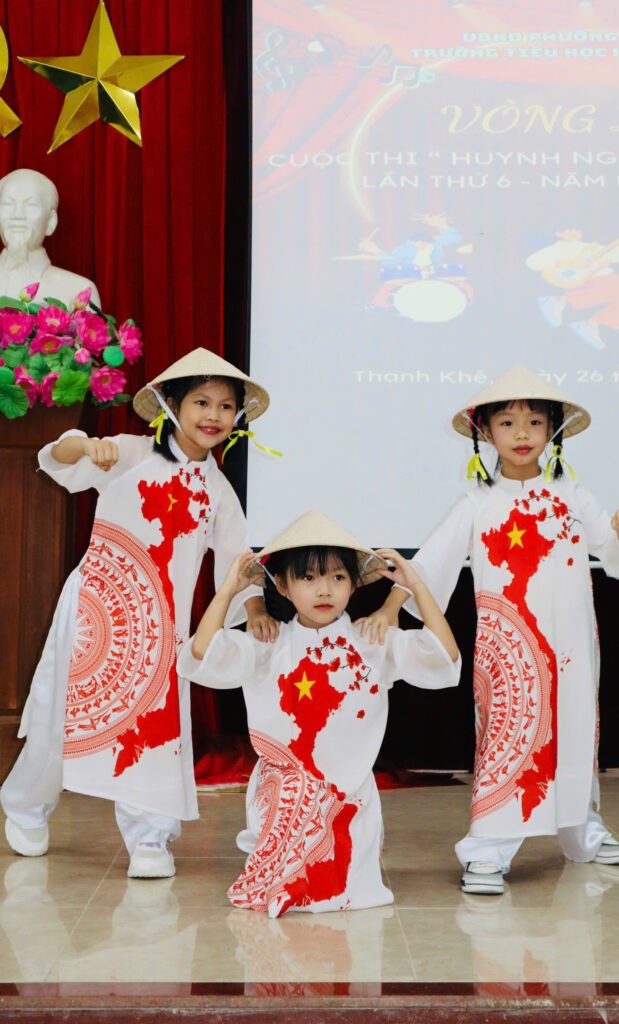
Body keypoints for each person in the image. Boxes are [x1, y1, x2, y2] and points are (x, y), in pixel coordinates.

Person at [1, 347, 278, 879]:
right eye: (201, 402)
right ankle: (26, 806)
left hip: (162, 625)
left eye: (226, 406)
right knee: (63, 716)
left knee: (155, 725)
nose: (214, 416)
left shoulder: (218, 489)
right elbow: (56, 458)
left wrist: (256, 605)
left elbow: (235, 561)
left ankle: (151, 836)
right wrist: (86, 445)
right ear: (172, 404)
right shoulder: (129, 453)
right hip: (95, 608)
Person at [356, 365, 619, 895]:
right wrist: (389, 607)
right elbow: (430, 565)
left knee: (573, 734)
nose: (522, 434)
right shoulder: (477, 503)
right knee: (507, 737)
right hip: (508, 647)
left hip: (571, 646)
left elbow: (610, 549)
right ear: (485, 432)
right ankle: (487, 848)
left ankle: (582, 830)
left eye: (535, 422)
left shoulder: (574, 496)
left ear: (553, 431)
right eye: (507, 422)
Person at [178, 509, 460, 917]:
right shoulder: (269, 643)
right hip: (282, 789)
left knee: (336, 884)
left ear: (353, 584)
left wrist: (413, 585)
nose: (324, 590)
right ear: (283, 586)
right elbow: (201, 655)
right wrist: (228, 593)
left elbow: (445, 658)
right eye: (308, 578)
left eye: (338, 577)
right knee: (292, 802)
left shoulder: (370, 641)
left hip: (350, 796)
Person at [0, 168, 101, 306]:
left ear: (51, 222)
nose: (17, 215)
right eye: (8, 204)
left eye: (31, 205)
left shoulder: (78, 291)